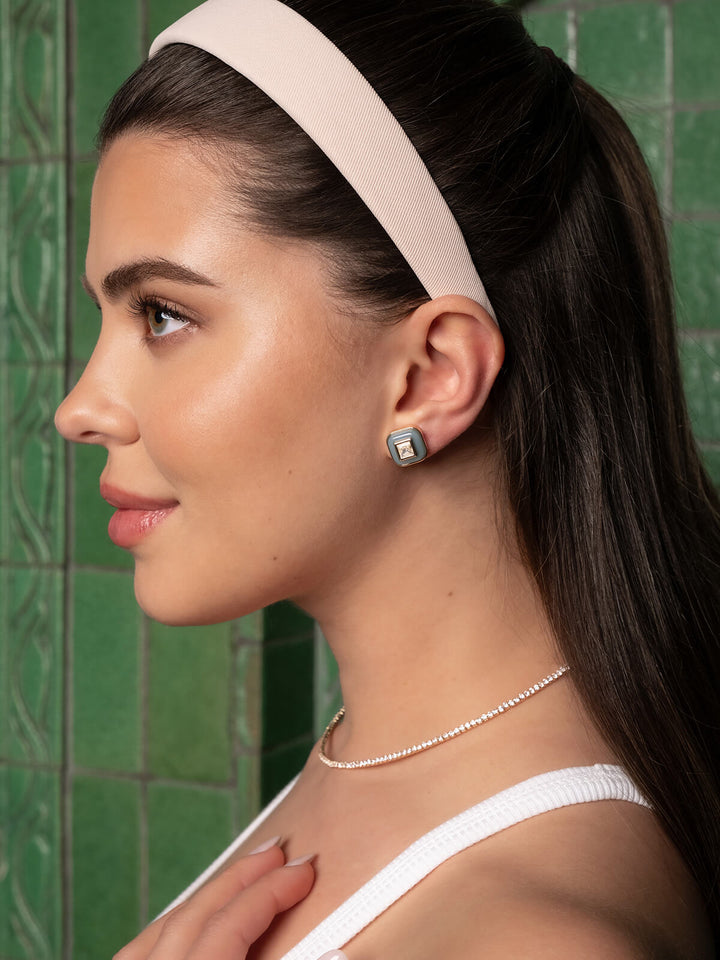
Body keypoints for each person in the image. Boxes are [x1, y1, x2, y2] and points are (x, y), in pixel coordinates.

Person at [54, 0, 720, 957]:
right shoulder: (378, 757)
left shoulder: (534, 940)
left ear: (430, 377)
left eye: (162, 314)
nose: (81, 405)